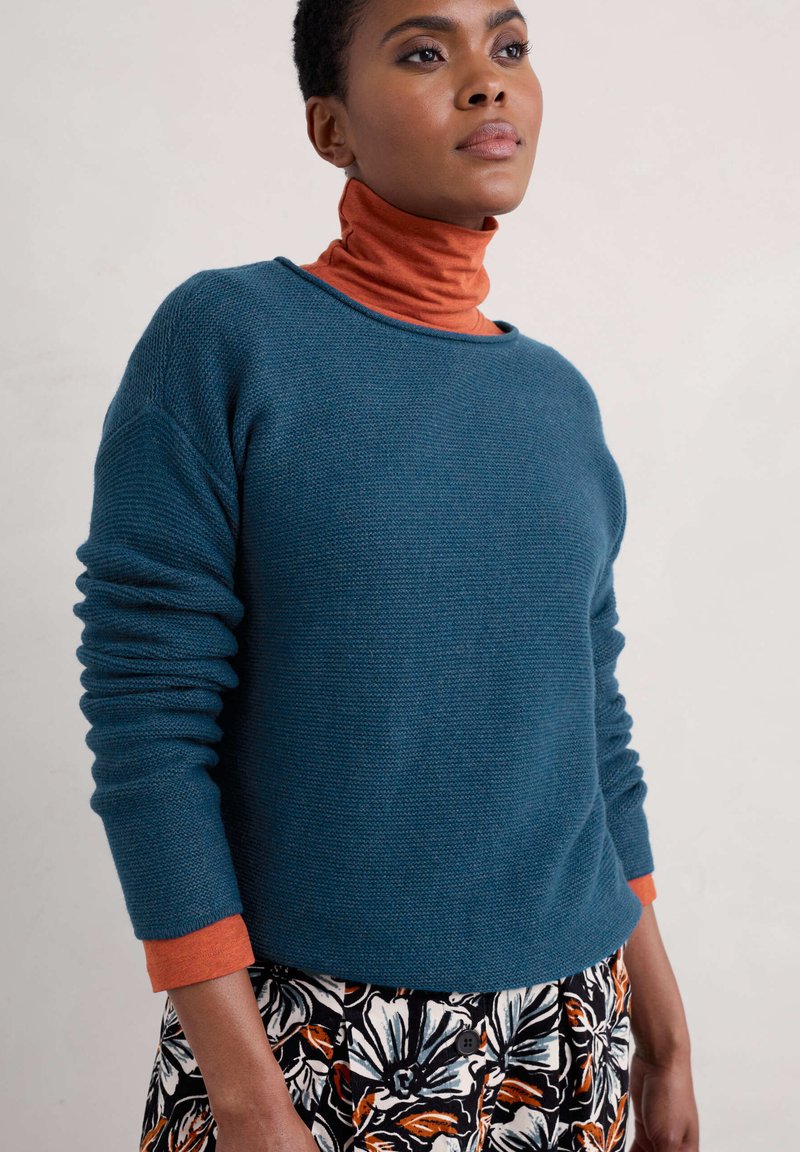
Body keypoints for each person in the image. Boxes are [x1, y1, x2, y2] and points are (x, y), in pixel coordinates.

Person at [72, 2, 700, 1150]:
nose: (486, 81)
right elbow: (148, 725)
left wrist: (666, 1040)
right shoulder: (226, 340)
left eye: (508, 47)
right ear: (331, 127)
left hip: (570, 1040)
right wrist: (245, 1094)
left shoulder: (556, 401)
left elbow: (591, 736)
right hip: (318, 1045)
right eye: (422, 50)